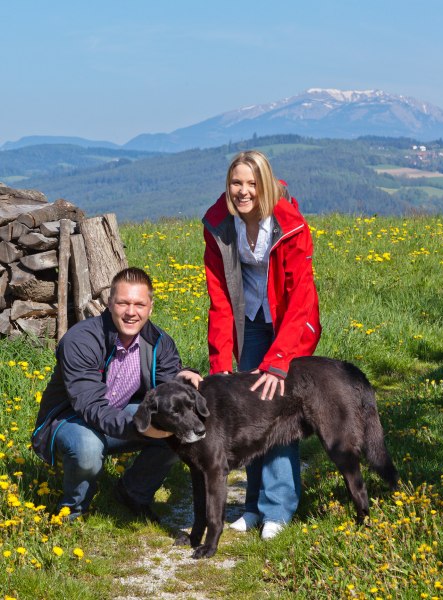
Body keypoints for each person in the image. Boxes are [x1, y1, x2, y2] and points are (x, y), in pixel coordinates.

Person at [202, 150, 321, 539]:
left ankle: (278, 509)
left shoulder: (290, 226)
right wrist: (220, 362)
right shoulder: (219, 224)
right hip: (249, 322)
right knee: (246, 411)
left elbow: (302, 297)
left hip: (288, 323)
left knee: (278, 414)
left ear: (266, 185)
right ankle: (252, 507)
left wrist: (280, 360)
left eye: (252, 183)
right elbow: (219, 297)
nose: (243, 191)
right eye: (236, 182)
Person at [32, 267, 202, 521]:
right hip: (70, 420)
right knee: (88, 447)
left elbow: (167, 390)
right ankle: (72, 512)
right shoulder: (81, 340)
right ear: (110, 303)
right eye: (123, 303)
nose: (131, 312)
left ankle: (133, 493)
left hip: (119, 415)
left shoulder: (159, 342)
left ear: (150, 307)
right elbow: (91, 407)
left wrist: (184, 377)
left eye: (139, 304)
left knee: (177, 426)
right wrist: (141, 427)